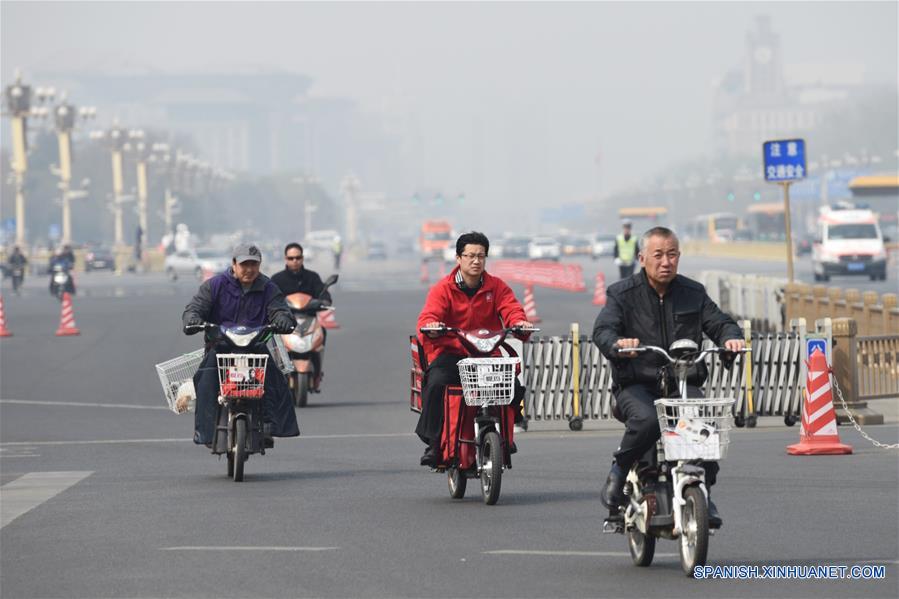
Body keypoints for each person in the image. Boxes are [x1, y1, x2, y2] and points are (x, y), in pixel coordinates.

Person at [592, 226, 745, 527]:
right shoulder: (621, 294)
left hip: (683, 385)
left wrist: (731, 339)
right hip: (636, 385)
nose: (666, 262)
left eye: (672, 254)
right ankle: (619, 470)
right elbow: (603, 330)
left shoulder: (693, 293)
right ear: (642, 258)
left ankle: (703, 493)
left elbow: (720, 323)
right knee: (649, 419)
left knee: (704, 427)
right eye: (658, 255)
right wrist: (618, 344)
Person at [416, 231, 534, 467]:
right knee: (437, 383)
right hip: (452, 354)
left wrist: (519, 323)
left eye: (481, 256)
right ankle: (434, 443)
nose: (476, 261)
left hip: (487, 354)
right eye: (470, 255)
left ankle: (507, 436)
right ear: (458, 258)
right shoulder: (443, 289)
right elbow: (428, 316)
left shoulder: (497, 287)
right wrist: (433, 326)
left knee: (513, 384)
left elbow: (511, 309)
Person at [182, 243, 299, 448]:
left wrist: (283, 319)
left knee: (276, 378)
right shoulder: (216, 285)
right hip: (221, 347)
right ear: (234, 264)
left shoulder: (268, 288)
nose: (249, 269)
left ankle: (271, 426)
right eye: (244, 264)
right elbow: (195, 307)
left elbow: (280, 309)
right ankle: (206, 433)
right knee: (205, 378)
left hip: (256, 347)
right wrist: (192, 319)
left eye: (254, 264)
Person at [271, 242, 333, 390]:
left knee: (322, 332)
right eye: (291, 258)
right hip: (285, 323)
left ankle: (317, 372)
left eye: (298, 257)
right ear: (286, 259)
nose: (294, 261)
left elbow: (323, 293)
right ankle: (277, 375)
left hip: (309, 320)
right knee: (271, 337)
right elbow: (269, 298)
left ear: (302, 258)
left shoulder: (312, 277)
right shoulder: (277, 279)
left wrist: (324, 300)